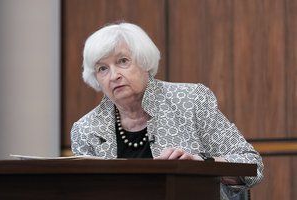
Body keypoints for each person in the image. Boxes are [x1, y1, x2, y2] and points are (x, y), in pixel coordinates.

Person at [71, 22, 263, 199]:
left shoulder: (191, 100)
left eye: (122, 61)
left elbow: (252, 165)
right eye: (102, 68)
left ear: (144, 61)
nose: (114, 76)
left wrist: (203, 165)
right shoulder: (86, 130)